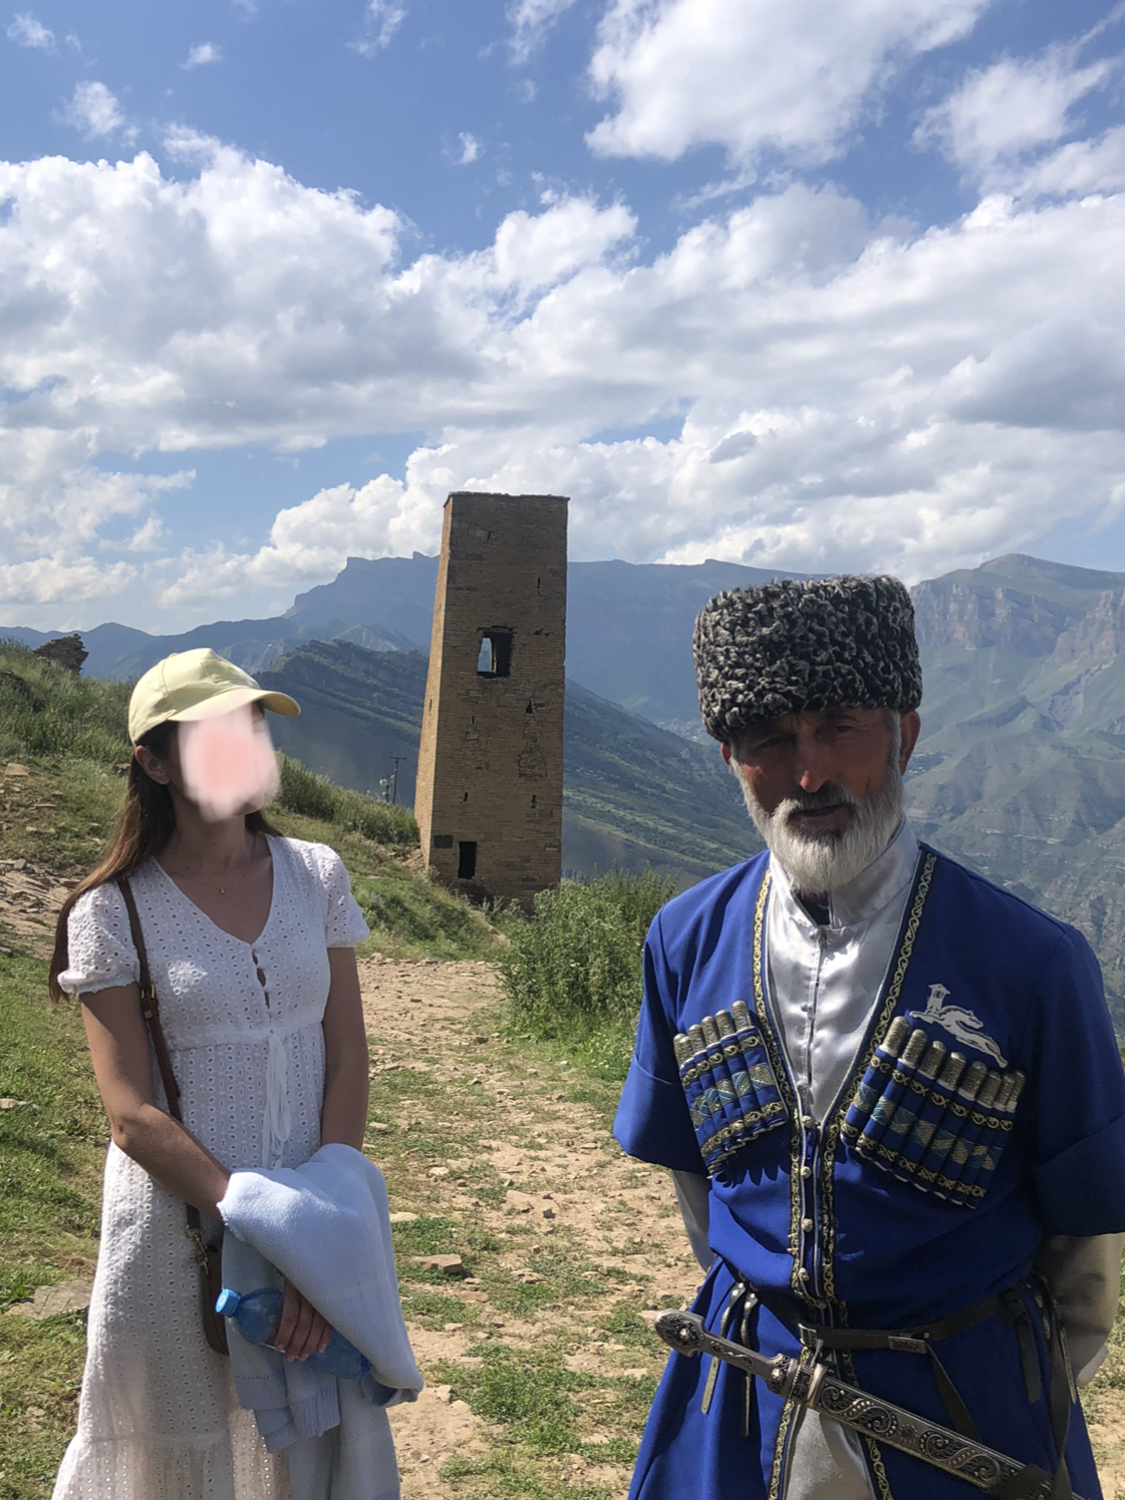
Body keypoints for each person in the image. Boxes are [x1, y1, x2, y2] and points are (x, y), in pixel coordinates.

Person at [614, 575, 1125, 1500]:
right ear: (729, 755)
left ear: (904, 735)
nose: (808, 774)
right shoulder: (683, 941)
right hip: (746, 1401)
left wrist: (1011, 1389)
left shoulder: (1031, 962)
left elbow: (1083, 1257)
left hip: (961, 1415)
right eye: (769, 739)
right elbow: (700, 1187)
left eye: (839, 728)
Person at [49, 649, 376, 1500]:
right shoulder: (112, 910)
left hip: (313, 1227)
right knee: (174, 1463)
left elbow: (347, 1056)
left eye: (252, 725)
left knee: (305, 1458)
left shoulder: (316, 874)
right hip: (175, 1242)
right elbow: (130, 1114)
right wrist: (263, 1229)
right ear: (154, 762)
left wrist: (315, 1236)